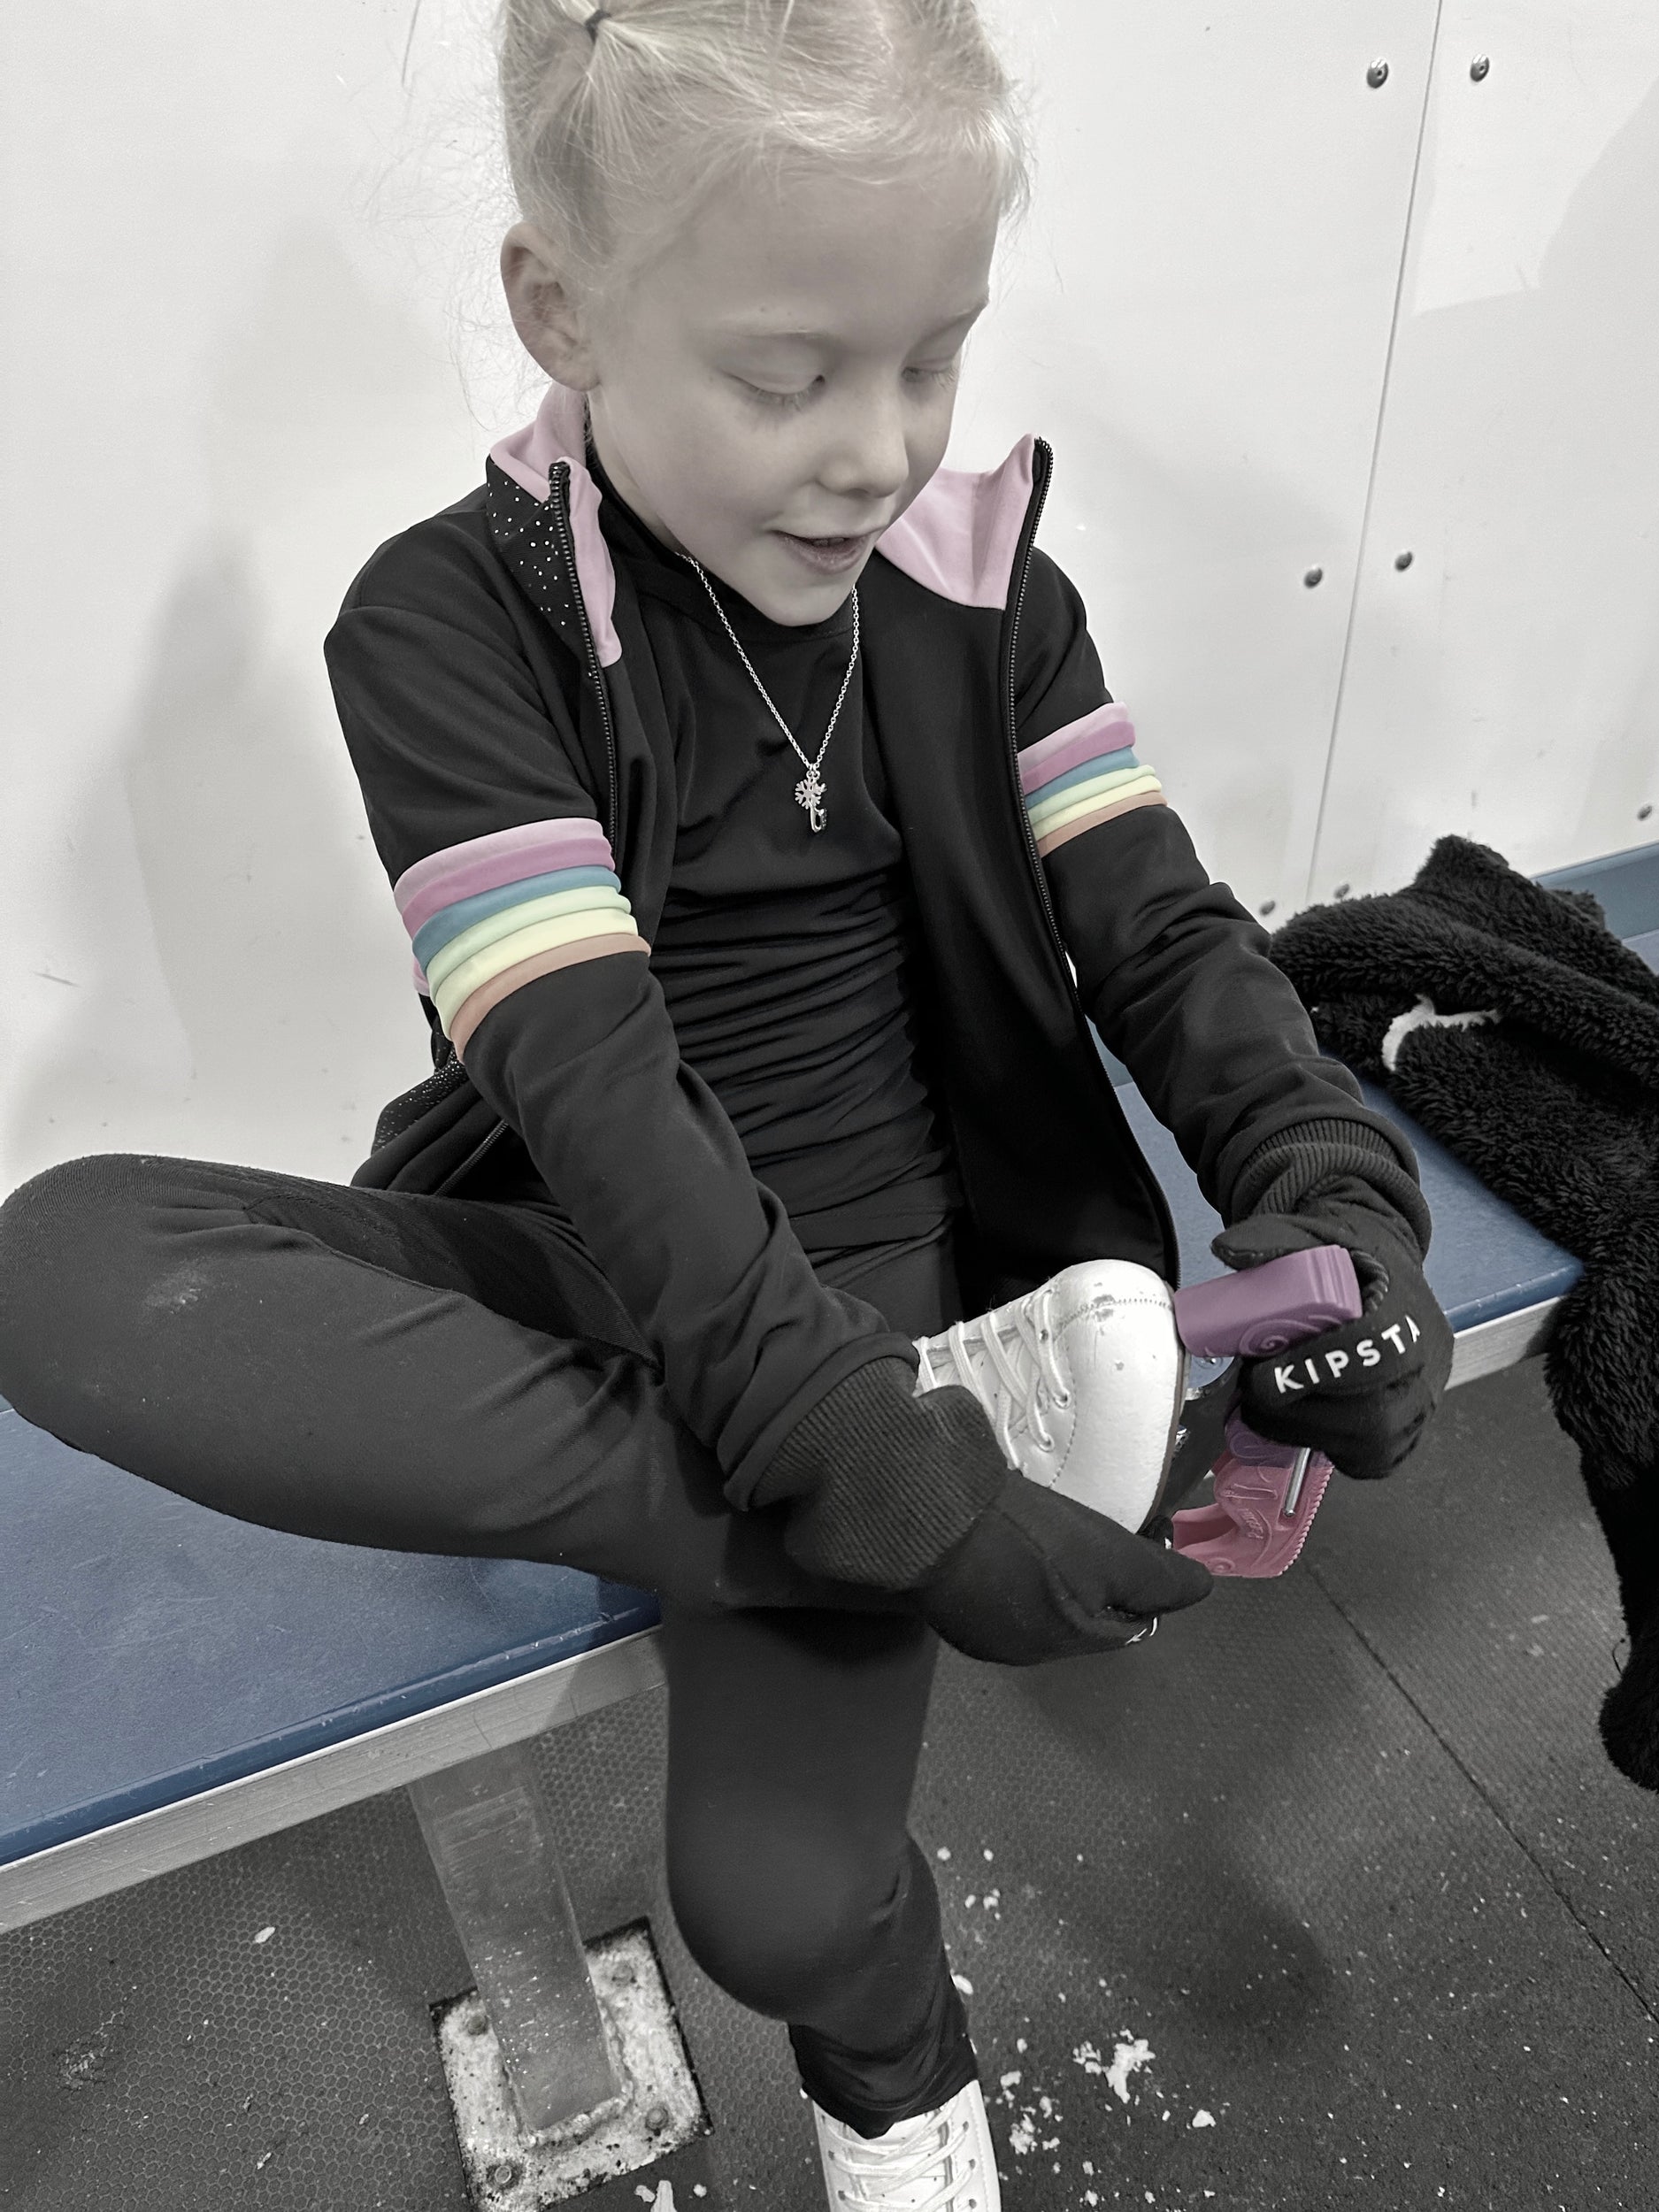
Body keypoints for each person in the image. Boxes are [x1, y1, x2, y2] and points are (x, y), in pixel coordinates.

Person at [0, 2, 1453, 2202]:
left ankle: (907, 2081)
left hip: (896, 1290)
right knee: (72, 1260)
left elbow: (1167, 939)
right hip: (609, 1257)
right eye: (789, 376)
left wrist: (1337, 1198)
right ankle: (833, 1491)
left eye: (931, 356)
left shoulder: (990, 599)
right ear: (559, 311)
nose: (875, 447)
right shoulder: (439, 627)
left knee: (772, 1908)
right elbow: (583, 1075)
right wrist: (874, 1473)